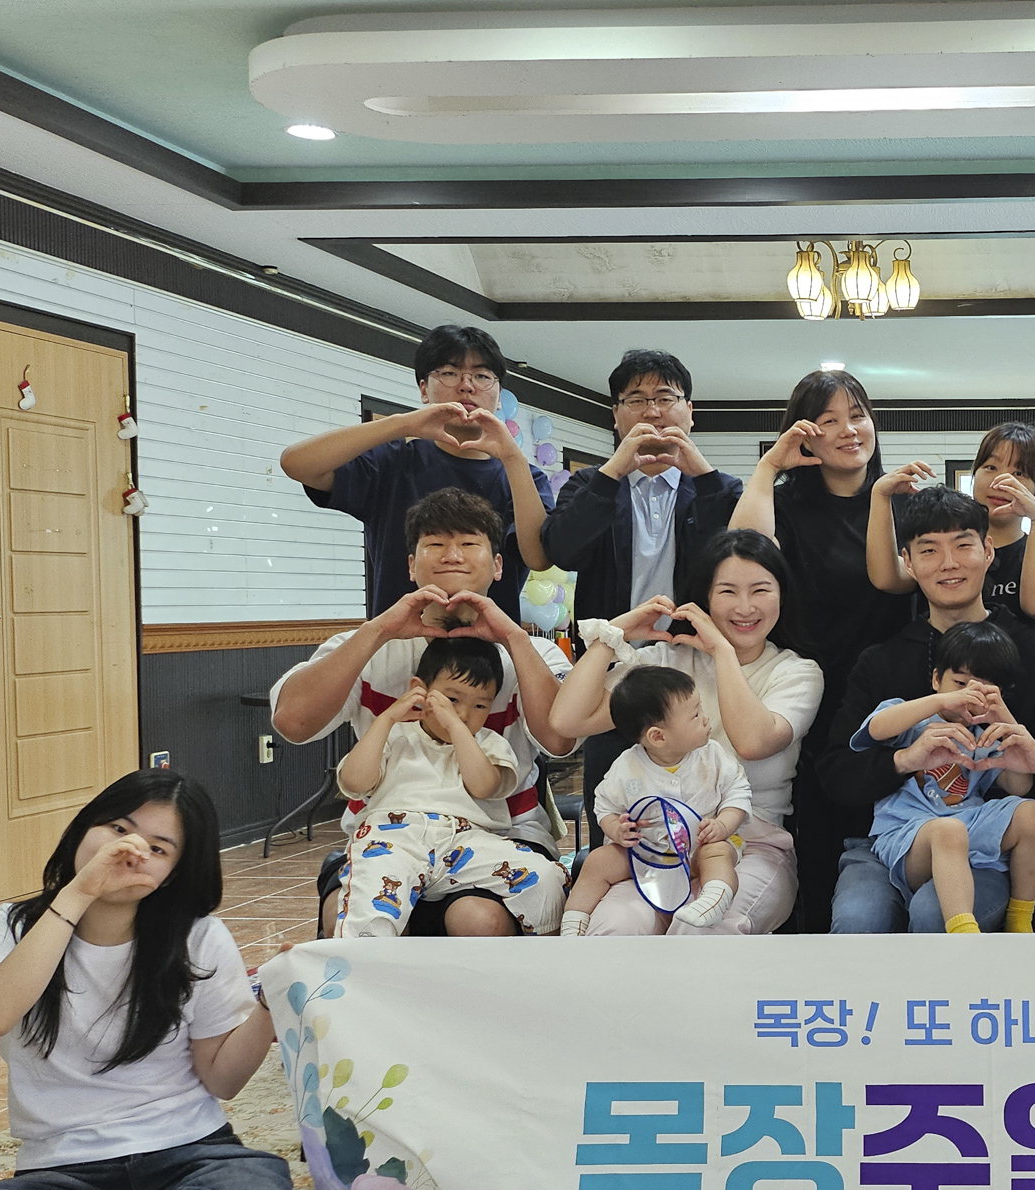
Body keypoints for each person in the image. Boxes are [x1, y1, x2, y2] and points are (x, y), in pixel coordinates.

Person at [0, 771, 296, 1190]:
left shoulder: (199, 938)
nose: (130, 851)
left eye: (158, 848)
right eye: (118, 829)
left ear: (172, 873)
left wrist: (270, 1008)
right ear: (82, 829)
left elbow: (223, 1080)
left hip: (191, 1154)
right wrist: (78, 893)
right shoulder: (2, 928)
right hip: (61, 1175)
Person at [272, 488, 575, 937]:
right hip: (389, 834)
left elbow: (560, 739)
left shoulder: (534, 653)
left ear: (497, 565)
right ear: (412, 566)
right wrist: (380, 630)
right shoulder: (366, 646)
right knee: (342, 911)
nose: (452, 555)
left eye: (469, 543)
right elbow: (292, 724)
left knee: (479, 919)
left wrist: (512, 636)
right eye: (435, 543)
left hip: (503, 835)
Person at [821, 487, 1035, 934]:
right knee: (859, 919)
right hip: (887, 841)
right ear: (907, 561)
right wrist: (904, 759)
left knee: (935, 912)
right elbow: (837, 770)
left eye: (962, 545)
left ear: (988, 550)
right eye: (929, 550)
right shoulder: (881, 661)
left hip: (992, 849)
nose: (949, 563)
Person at [549, 529, 824, 937]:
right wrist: (613, 635)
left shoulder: (797, 672)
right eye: (727, 591)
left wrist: (723, 652)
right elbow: (567, 721)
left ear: (782, 594)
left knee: (704, 931)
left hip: (750, 845)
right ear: (705, 598)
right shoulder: (666, 662)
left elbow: (752, 742)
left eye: (761, 590)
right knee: (614, 929)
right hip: (652, 848)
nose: (745, 607)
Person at [726, 369, 917, 930]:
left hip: (890, 694)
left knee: (893, 836)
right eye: (828, 420)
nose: (849, 430)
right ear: (805, 434)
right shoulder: (785, 506)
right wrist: (769, 466)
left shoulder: (902, 504)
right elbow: (745, 556)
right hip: (808, 695)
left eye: (858, 416)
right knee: (817, 845)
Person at [541, 348, 745, 849]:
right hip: (616, 667)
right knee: (616, 816)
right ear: (616, 416)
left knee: (705, 801)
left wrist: (701, 473)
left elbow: (737, 557)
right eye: (635, 399)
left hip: (693, 665)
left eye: (665, 398)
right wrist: (613, 470)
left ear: (689, 411)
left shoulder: (718, 488)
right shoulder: (591, 485)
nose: (652, 411)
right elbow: (561, 550)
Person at [280, 324, 551, 620]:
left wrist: (512, 456)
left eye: (482, 376)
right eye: (449, 373)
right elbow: (297, 464)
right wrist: (403, 424)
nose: (466, 385)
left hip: (490, 643)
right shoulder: (393, 461)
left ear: (499, 396)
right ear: (424, 389)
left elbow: (538, 558)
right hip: (397, 640)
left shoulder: (524, 477)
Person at [332, 638, 562, 937]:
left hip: (467, 839)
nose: (464, 714)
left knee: (546, 877)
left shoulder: (488, 743)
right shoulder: (395, 734)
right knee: (369, 907)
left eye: (480, 705)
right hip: (393, 838)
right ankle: (360, 963)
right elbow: (355, 782)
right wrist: (387, 718)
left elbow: (483, 787)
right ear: (420, 690)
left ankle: (551, 954)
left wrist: (455, 727)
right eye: (452, 700)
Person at [853, 621, 1035, 934]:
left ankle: (1020, 920)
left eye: (982, 690)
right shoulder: (911, 717)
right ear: (936, 679)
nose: (967, 696)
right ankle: (964, 935)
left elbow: (1020, 787)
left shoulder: (983, 736)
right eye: (960, 683)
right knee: (948, 831)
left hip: (966, 824)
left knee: (1033, 814)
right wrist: (940, 702)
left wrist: (1005, 721)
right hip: (907, 832)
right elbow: (876, 729)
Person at [562, 666, 749, 933]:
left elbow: (738, 793)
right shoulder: (627, 767)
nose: (706, 718)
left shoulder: (713, 757)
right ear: (658, 736)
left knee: (718, 853)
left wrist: (723, 825)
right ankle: (574, 921)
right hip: (646, 853)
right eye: (696, 715)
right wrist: (617, 829)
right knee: (598, 861)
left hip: (699, 848)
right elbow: (604, 805)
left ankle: (714, 897)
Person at [867, 421, 1035, 629]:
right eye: (991, 467)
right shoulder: (938, 547)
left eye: (1019, 473)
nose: (1001, 481)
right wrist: (881, 494)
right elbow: (886, 578)